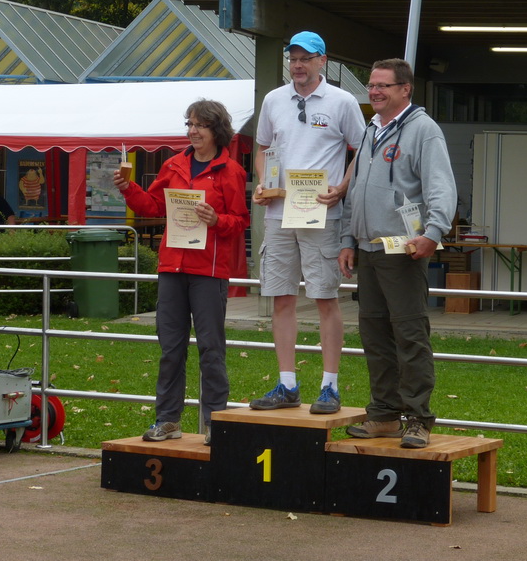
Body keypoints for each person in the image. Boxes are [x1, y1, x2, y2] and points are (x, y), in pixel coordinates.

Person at [113, 99, 249, 446]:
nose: (193, 131)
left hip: (209, 271)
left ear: (216, 129)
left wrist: (216, 220)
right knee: (170, 348)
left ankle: (215, 421)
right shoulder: (173, 165)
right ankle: (168, 420)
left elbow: (240, 221)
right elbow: (153, 206)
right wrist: (128, 188)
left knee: (210, 348)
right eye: (189, 124)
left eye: (200, 125)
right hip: (172, 266)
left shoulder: (231, 171)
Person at [337, 58, 457, 449]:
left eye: (382, 86)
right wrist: (348, 239)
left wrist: (433, 233)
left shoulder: (424, 130)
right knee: (375, 335)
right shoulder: (371, 129)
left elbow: (441, 186)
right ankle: (385, 415)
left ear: (405, 89)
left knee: (409, 335)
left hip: (404, 251)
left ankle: (419, 418)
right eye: (371, 85)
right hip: (368, 250)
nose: (374, 92)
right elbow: (355, 190)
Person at [249, 31, 366, 414]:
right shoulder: (273, 99)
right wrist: (264, 182)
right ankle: (287, 384)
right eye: (293, 58)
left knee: (324, 298)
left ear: (322, 61)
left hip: (321, 213)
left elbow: (363, 150)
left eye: (305, 58)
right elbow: (262, 147)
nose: (298, 65)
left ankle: (329, 387)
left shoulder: (343, 101)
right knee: (281, 298)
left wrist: (342, 188)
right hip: (279, 212)